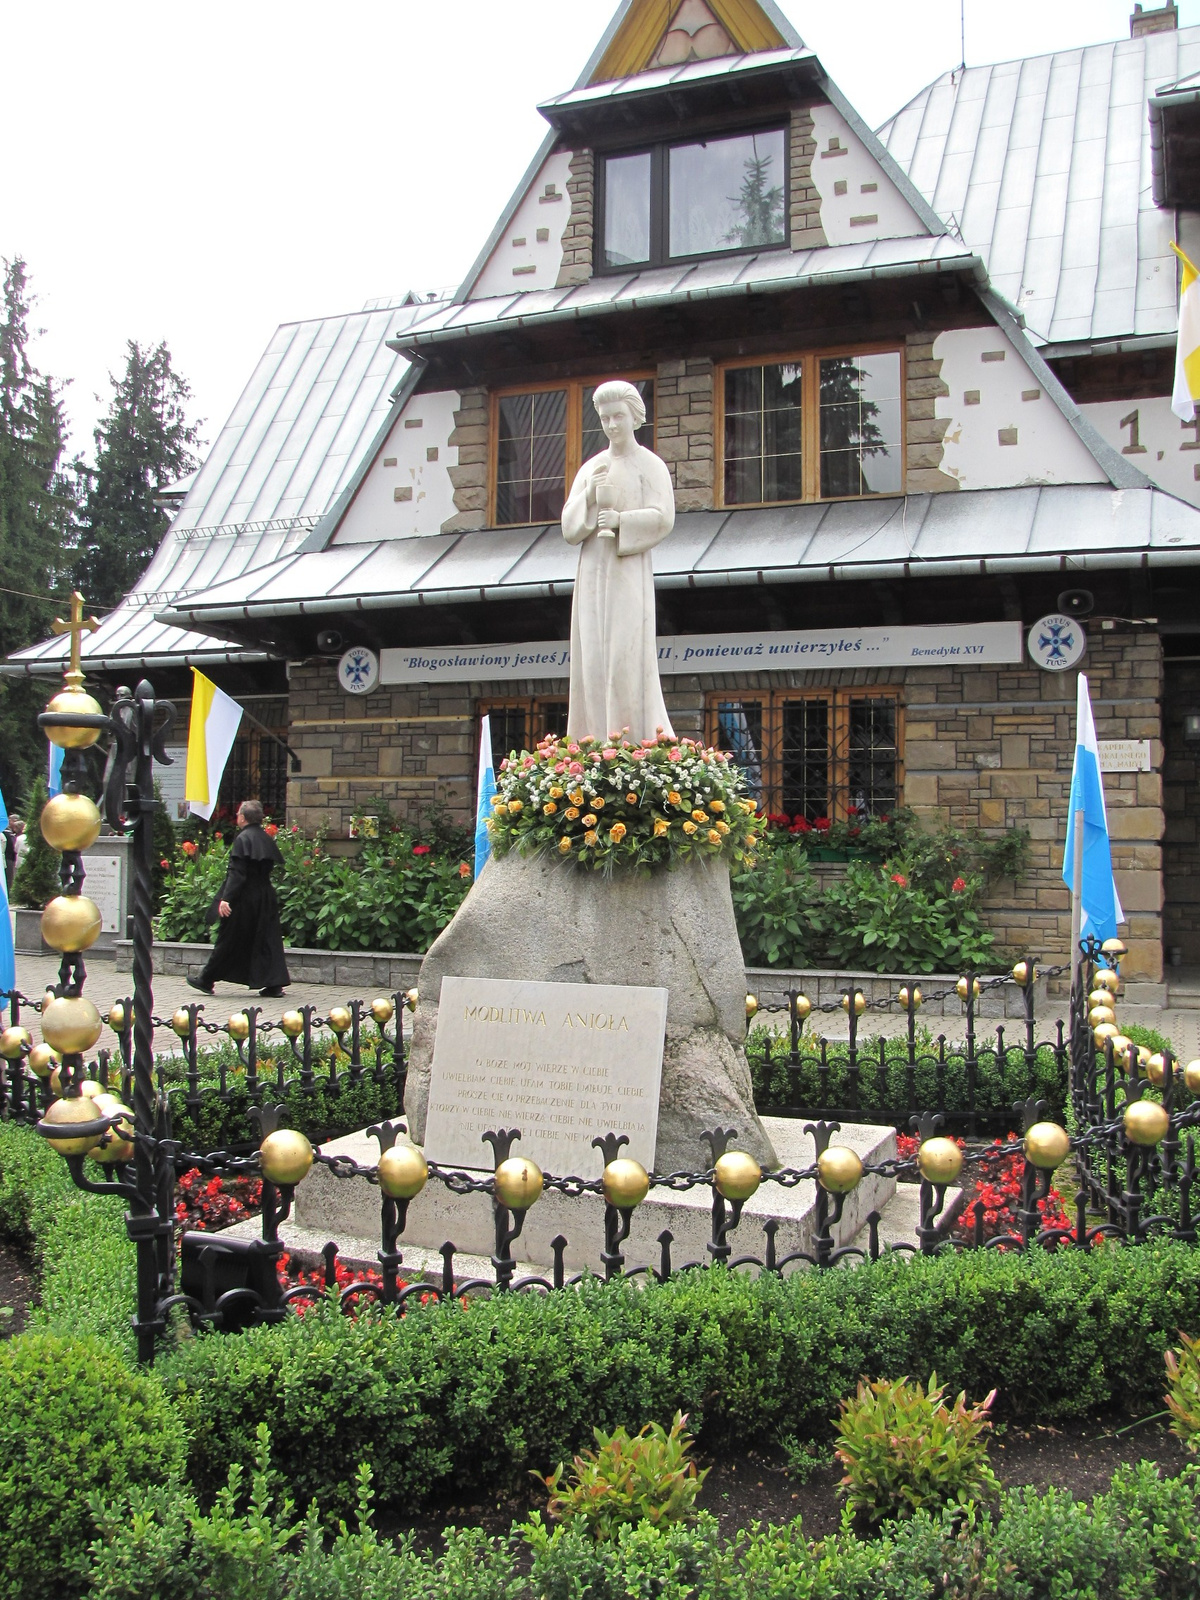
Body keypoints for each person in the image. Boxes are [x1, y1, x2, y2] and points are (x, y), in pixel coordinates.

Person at [560, 380, 675, 743]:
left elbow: (663, 516)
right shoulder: (592, 468)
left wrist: (623, 522)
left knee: (625, 655)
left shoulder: (650, 465)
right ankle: (592, 739)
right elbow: (568, 526)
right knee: (593, 657)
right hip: (593, 571)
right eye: (606, 418)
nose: (611, 425)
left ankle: (632, 740)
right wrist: (590, 499)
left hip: (627, 572)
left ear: (634, 417)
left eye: (618, 417)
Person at [187, 800, 290, 998]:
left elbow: (237, 873)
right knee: (267, 939)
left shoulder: (243, 839)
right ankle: (274, 984)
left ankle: (206, 979)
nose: (236, 816)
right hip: (265, 896)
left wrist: (226, 899)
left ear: (243, 817)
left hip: (244, 897)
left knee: (228, 938)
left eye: (238, 814)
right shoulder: (265, 838)